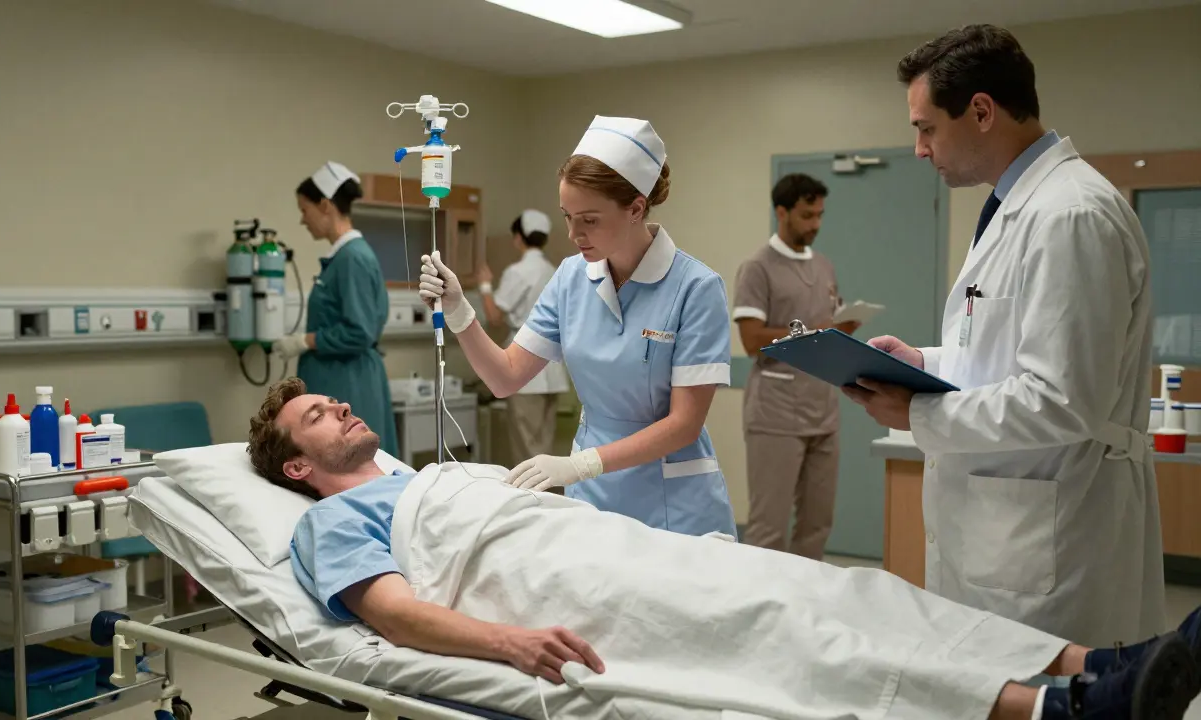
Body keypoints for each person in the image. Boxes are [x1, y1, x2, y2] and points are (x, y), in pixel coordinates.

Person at [246, 378, 1201, 720]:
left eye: (334, 399)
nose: (341, 408)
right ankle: (1053, 710)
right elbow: (388, 612)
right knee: (779, 625)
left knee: (836, 589)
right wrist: (509, 644)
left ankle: (1095, 663)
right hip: (554, 588)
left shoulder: (426, 477)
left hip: (604, 543)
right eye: (316, 416)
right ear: (296, 468)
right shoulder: (331, 525)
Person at [845, 24, 1166, 649]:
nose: (918, 148)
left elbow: (1062, 398)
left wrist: (919, 411)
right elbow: (1006, 352)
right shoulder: (1017, 208)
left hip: (1055, 540)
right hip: (1009, 529)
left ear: (982, 111)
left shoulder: (1069, 214)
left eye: (926, 127)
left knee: (1044, 691)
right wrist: (923, 361)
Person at [417, 116, 736, 538]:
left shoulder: (695, 288)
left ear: (636, 208)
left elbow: (684, 425)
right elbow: (506, 376)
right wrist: (459, 312)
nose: (572, 233)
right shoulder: (572, 278)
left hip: (674, 503)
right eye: (567, 217)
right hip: (596, 496)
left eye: (589, 219)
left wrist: (578, 465)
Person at [732, 173, 859, 560]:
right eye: (807, 215)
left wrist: (843, 328)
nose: (815, 224)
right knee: (769, 528)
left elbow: (832, 324)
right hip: (776, 416)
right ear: (781, 212)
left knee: (817, 525)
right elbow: (752, 340)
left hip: (823, 413)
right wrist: (816, 332)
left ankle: (809, 609)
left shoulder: (824, 266)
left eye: (820, 215)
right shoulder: (757, 267)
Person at [274, 161, 399, 457]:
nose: (303, 220)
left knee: (350, 466)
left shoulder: (352, 259)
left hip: (349, 382)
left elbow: (359, 332)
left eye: (305, 210)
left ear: (325, 205)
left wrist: (307, 341)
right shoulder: (343, 257)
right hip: (341, 379)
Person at [474, 209, 570, 463]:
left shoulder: (518, 272)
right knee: (544, 448)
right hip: (552, 368)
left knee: (527, 451)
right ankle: (549, 500)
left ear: (518, 238)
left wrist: (484, 284)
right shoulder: (555, 270)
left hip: (525, 367)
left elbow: (495, 317)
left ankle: (534, 501)